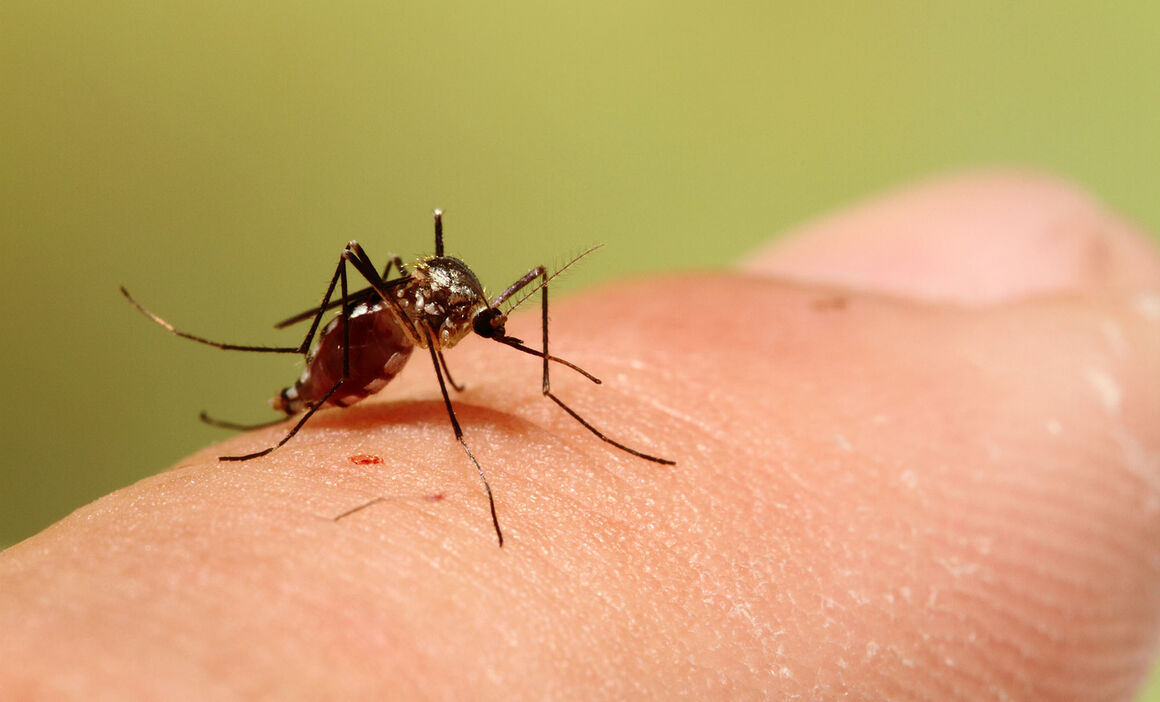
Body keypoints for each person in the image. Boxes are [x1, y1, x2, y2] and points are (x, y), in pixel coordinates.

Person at [1, 172, 1157, 699]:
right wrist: (359, 365)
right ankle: (285, 378)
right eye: (494, 326)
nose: (498, 331)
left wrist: (554, 376)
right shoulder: (428, 318)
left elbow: (485, 303)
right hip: (363, 334)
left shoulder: (477, 308)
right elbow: (413, 289)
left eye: (496, 324)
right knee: (373, 287)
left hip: (411, 317)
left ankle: (359, 379)